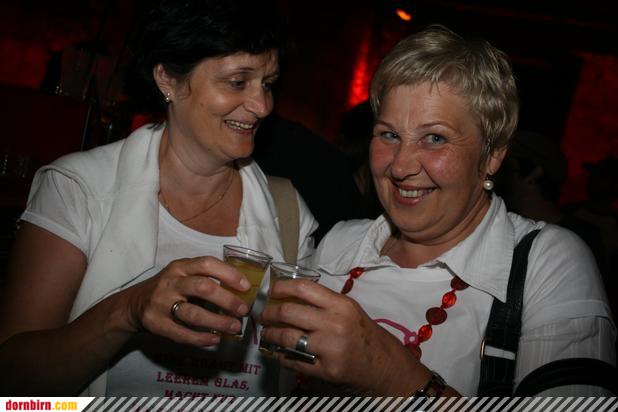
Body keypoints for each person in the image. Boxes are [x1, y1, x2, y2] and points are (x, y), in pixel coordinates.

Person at [259, 25, 616, 396]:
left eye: (434, 138)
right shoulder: (339, 243)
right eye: (389, 134)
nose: (400, 166)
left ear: (492, 154)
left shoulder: (545, 262)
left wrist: (390, 375)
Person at [0, 0, 317, 397]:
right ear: (168, 79)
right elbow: (13, 387)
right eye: (238, 82)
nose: (262, 106)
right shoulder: (79, 190)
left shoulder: (287, 211)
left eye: (267, 84)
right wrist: (129, 310)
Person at [495, 130, 604, 267]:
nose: (501, 177)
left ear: (534, 175)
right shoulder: (501, 225)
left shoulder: (582, 237)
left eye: (510, 170)